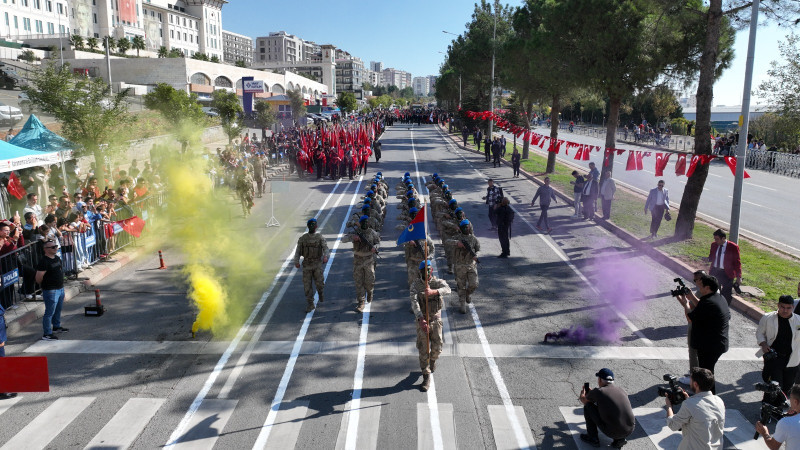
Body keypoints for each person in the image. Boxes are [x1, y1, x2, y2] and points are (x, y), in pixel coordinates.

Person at [674, 273, 729, 393]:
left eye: (701, 286)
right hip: (719, 344)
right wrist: (692, 297)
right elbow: (703, 306)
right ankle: (709, 396)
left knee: (705, 375)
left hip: (709, 347)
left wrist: (685, 303)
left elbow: (690, 318)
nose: (699, 288)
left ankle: (708, 398)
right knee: (708, 372)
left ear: (707, 288)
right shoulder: (719, 298)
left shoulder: (707, 303)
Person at [411, 260, 451, 392]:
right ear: (420, 271)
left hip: (435, 319)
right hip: (422, 319)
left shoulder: (437, 282)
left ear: (431, 270)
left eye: (429, 269)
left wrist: (434, 292)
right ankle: (426, 375)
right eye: (424, 270)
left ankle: (433, 360)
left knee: (437, 347)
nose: (426, 272)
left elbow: (448, 289)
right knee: (423, 349)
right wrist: (421, 319)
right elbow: (414, 303)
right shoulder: (416, 285)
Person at [665, 367, 725, 450]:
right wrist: (689, 399)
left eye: (691, 380)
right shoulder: (719, 401)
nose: (690, 382)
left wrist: (669, 406)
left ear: (696, 384)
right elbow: (702, 412)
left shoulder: (689, 404)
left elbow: (672, 425)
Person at [579, 368, 635, 448]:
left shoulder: (599, 391)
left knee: (588, 406)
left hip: (612, 432)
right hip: (629, 430)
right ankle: (619, 440)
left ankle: (592, 438)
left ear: (600, 380)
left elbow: (584, 399)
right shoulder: (621, 390)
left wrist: (583, 394)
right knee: (614, 411)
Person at [756, 295, 800, 395]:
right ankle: (767, 406)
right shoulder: (768, 318)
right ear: (778, 305)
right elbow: (760, 333)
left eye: (788, 308)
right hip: (774, 358)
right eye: (782, 307)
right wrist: (763, 344)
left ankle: (777, 408)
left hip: (792, 360)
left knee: (787, 388)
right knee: (774, 387)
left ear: (793, 307)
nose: (785, 310)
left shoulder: (798, 320)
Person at [344, 216, 380, 313]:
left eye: (366, 222)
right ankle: (361, 302)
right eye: (363, 222)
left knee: (369, 281)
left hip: (369, 260)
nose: (365, 223)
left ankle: (369, 292)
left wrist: (375, 248)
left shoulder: (372, 233)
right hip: (358, 260)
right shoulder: (355, 232)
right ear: (360, 223)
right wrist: (353, 237)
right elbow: (344, 239)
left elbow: (377, 242)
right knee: (358, 282)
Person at [294, 218, 330, 313]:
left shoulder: (320, 237)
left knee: (320, 284)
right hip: (307, 265)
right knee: (307, 286)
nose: (312, 226)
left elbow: (326, 248)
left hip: (317, 264)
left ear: (316, 226)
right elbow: (297, 251)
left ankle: (320, 292)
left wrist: (326, 256)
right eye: (310, 224)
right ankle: (310, 304)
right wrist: (296, 261)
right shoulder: (303, 239)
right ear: (308, 226)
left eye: (314, 224)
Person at [36, 239, 68, 341]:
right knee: (49, 312)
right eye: (53, 247)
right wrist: (46, 285)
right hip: (51, 290)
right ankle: (47, 333)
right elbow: (38, 277)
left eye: (56, 246)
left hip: (60, 288)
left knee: (58, 310)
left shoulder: (57, 258)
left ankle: (56, 326)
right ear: (46, 249)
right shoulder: (43, 262)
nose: (55, 248)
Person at [447, 219, 480, 314]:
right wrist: (457, 243)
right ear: (461, 228)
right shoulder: (457, 237)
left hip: (471, 265)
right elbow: (447, 241)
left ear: (469, 227)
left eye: (467, 227)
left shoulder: (474, 239)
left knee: (474, 284)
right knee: (461, 286)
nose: (466, 228)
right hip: (459, 266)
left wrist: (476, 255)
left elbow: (478, 249)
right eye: (464, 227)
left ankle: (467, 294)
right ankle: (462, 304)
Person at [756, 384, 800, 449]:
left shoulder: (786, 423)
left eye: (790, 398)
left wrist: (764, 433)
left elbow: (774, 447)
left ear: (796, 402)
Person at [708, 228, 742, 305]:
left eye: (717, 239)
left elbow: (737, 262)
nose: (715, 241)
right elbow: (711, 257)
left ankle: (723, 308)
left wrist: (738, 276)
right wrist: (707, 259)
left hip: (727, 273)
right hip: (715, 271)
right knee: (713, 291)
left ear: (723, 238)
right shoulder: (714, 245)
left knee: (726, 294)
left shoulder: (733, 247)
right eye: (715, 239)